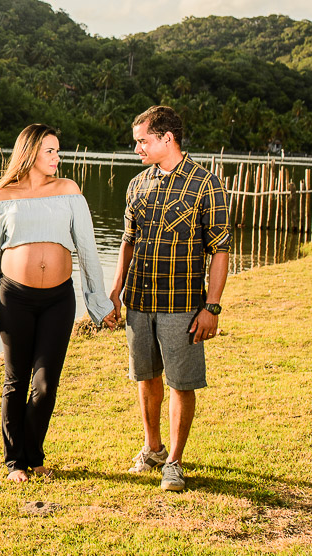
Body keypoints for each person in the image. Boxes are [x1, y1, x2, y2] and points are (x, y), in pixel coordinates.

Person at [0, 124, 117, 482]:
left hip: (58, 299)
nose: (57, 157)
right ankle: (17, 462)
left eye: (58, 151)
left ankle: (34, 452)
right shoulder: (3, 195)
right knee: (16, 381)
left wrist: (99, 304)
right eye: (50, 151)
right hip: (13, 298)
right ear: (29, 153)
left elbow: (87, 249)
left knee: (45, 384)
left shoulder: (68, 190)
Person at [108, 105, 230, 492]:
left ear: (167, 139)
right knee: (145, 378)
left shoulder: (206, 184)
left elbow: (221, 249)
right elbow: (128, 241)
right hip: (139, 301)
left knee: (181, 383)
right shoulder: (137, 185)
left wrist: (211, 307)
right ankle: (153, 448)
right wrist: (116, 289)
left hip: (183, 304)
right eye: (137, 142)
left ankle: (175, 462)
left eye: (143, 141)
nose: (138, 149)